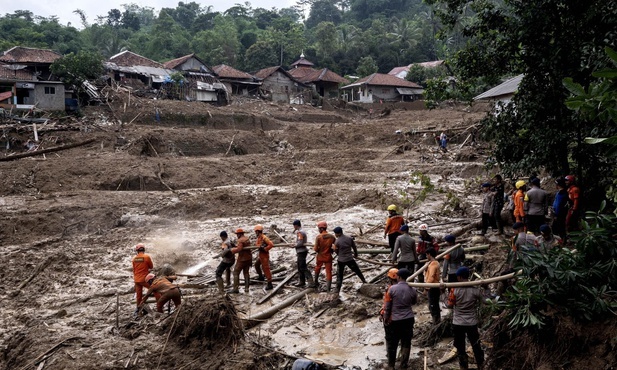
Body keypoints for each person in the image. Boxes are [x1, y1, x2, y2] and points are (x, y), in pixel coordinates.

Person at [446, 266, 485, 370]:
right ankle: (481, 366)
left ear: (459, 277)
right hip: (471, 323)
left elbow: (449, 305)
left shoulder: (455, 290)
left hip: (458, 323)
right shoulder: (475, 290)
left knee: (460, 348)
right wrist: (486, 288)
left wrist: (442, 293)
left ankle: (463, 367)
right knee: (476, 346)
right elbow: (486, 300)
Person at [383, 268, 417, 369]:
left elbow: (387, 306)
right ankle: (403, 364)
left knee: (392, 343)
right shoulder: (413, 289)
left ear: (399, 277)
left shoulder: (392, 289)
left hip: (395, 320)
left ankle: (391, 366)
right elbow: (414, 302)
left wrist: (385, 317)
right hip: (408, 318)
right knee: (406, 342)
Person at [332, 226, 366, 293]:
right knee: (357, 270)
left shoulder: (337, 241)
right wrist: (356, 254)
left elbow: (336, 251)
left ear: (338, 233)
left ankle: (337, 290)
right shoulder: (349, 238)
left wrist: (339, 254)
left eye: (335, 233)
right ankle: (364, 281)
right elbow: (354, 247)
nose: (335, 235)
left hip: (341, 260)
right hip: (350, 259)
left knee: (339, 275)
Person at [313, 221, 335, 292]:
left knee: (317, 268)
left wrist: (318, 249)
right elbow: (335, 246)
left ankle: (315, 281)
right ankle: (328, 288)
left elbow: (316, 249)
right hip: (328, 256)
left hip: (320, 256)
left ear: (321, 229)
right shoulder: (332, 237)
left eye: (319, 228)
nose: (318, 230)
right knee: (329, 272)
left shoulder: (318, 237)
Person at [132, 243, 153, 312]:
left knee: (139, 296)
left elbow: (134, 270)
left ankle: (138, 309)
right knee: (155, 290)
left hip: (137, 280)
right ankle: (159, 308)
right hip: (144, 279)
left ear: (137, 251)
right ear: (144, 250)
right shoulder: (146, 257)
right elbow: (151, 267)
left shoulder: (134, 259)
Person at [292, 219, 313, 287]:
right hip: (301, 251)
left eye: (294, 226)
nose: (294, 227)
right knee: (299, 266)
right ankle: (302, 281)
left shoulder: (300, 232)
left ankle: (310, 281)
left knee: (302, 267)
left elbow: (300, 242)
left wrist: (295, 245)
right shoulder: (301, 231)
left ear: (296, 225)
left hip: (301, 251)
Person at [230, 228, 252, 294]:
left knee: (236, 272)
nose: (237, 235)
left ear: (240, 234)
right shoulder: (247, 238)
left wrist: (232, 250)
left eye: (237, 234)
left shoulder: (240, 240)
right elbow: (243, 247)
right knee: (246, 273)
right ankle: (247, 288)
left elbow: (239, 249)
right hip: (249, 258)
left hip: (242, 259)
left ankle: (235, 288)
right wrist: (235, 246)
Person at [253, 224, 274, 290]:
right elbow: (257, 245)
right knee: (256, 265)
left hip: (264, 256)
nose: (255, 233)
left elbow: (271, 244)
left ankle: (269, 283)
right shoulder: (259, 238)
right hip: (261, 256)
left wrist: (265, 249)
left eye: (256, 231)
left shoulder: (264, 238)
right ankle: (261, 276)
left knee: (266, 269)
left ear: (258, 231)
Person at [424, 248, 441, 324]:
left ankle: (436, 322)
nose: (426, 256)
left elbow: (431, 277)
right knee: (434, 305)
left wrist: (426, 288)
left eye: (427, 254)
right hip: (434, 286)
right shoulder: (432, 263)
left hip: (433, 287)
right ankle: (437, 321)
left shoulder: (433, 264)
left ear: (429, 254)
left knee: (433, 305)